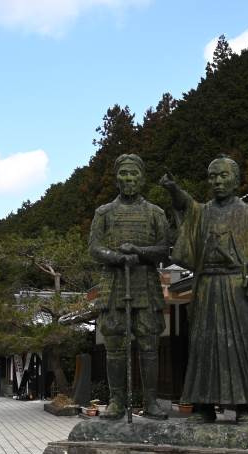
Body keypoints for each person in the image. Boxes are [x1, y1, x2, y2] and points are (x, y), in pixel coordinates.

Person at [162, 156, 248, 423]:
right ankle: (203, 406)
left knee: (242, 344)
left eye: (223, 176)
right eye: (213, 177)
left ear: (235, 179)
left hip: (237, 287)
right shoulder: (203, 212)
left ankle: (244, 408)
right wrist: (173, 189)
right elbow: (185, 205)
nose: (218, 181)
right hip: (207, 285)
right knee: (203, 345)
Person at [89, 153, 171, 420]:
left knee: (149, 343)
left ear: (142, 177)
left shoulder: (155, 213)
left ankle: (151, 401)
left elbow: (163, 249)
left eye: (133, 173)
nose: (128, 178)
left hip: (145, 282)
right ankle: (116, 401)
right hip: (114, 282)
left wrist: (138, 251)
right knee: (114, 344)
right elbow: (95, 247)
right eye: (123, 173)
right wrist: (116, 257)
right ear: (116, 178)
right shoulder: (104, 213)